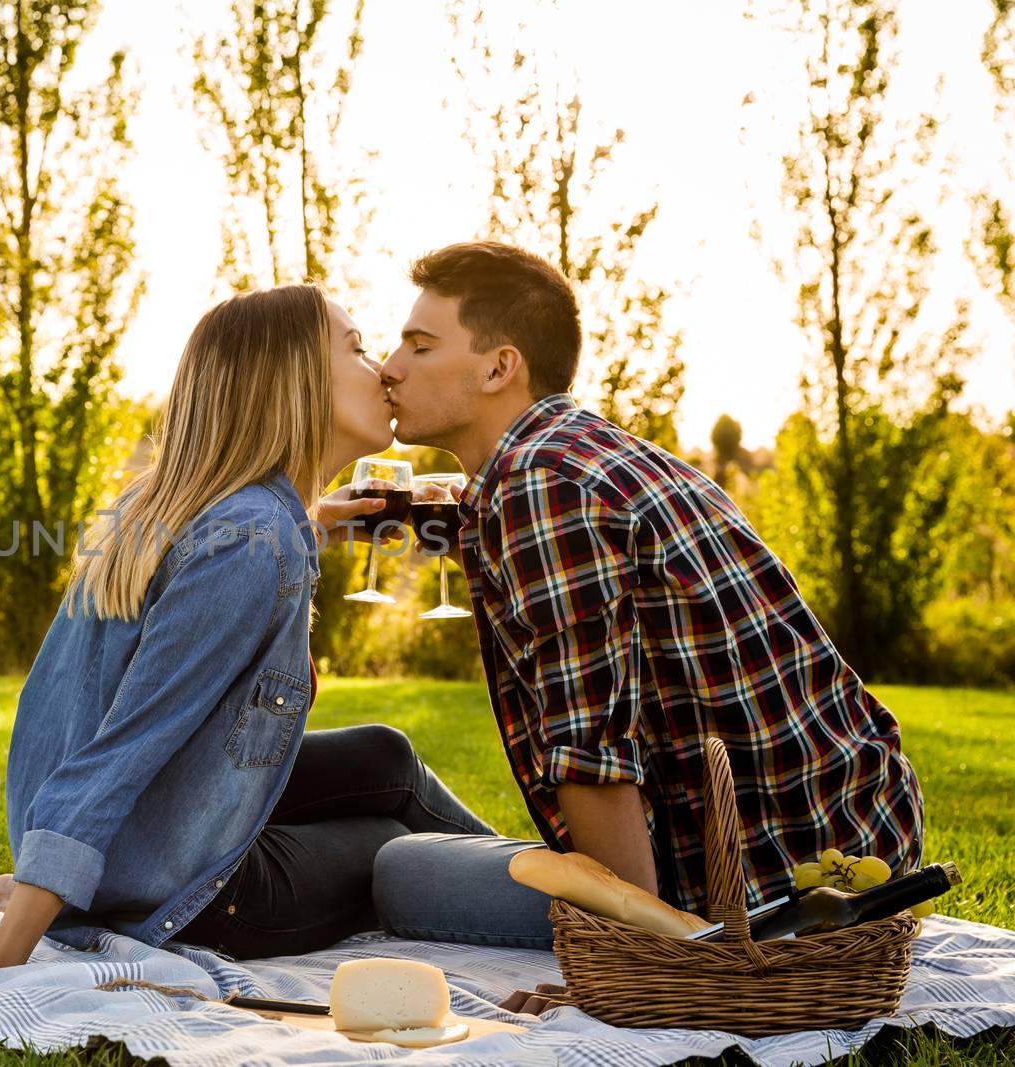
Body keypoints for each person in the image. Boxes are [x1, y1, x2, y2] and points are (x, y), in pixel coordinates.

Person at [0, 283, 492, 996]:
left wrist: (312, 526)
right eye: (356, 348)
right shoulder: (255, 542)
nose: (382, 368)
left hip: (155, 836)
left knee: (387, 755)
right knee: (397, 854)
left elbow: (199, 610)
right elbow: (119, 751)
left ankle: (554, 875)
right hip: (205, 895)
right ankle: (579, 905)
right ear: (295, 382)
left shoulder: (189, 510)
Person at [371, 241, 926, 958]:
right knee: (387, 781)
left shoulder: (541, 490)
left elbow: (594, 758)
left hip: (750, 893)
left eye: (419, 344)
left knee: (396, 865)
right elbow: (490, 520)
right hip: (854, 832)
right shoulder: (578, 454)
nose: (390, 365)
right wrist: (380, 513)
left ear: (499, 365)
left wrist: (642, 959)